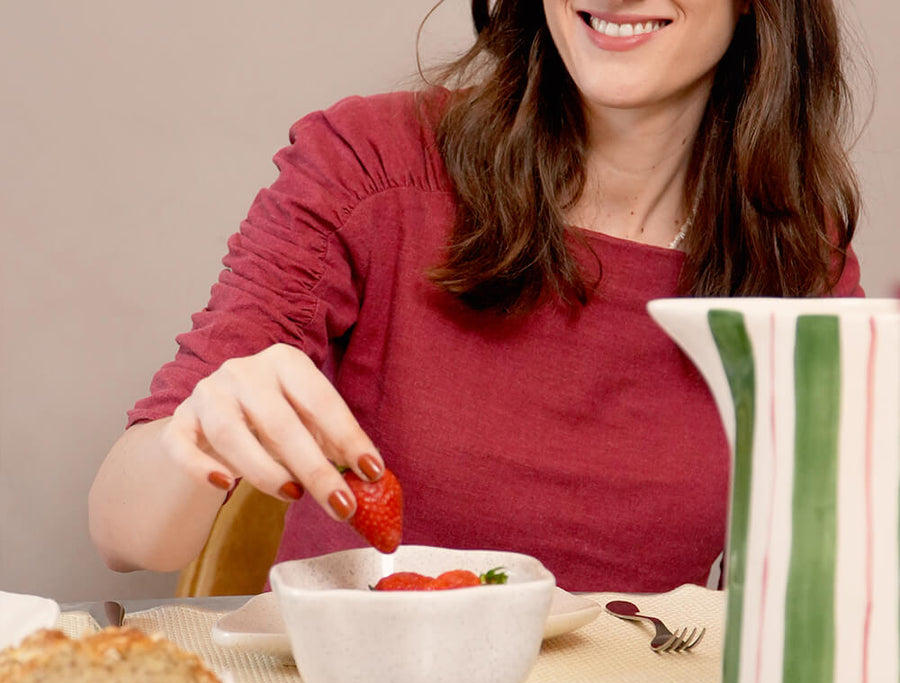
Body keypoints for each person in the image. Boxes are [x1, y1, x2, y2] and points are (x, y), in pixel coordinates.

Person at [89, 0, 863, 593]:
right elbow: (123, 532)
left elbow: (840, 562)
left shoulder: (799, 253)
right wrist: (203, 427)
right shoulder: (371, 166)